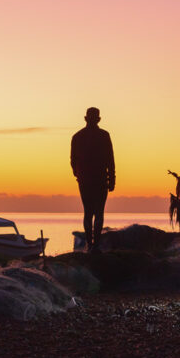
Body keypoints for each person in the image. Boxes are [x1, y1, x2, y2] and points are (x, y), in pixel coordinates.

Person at [71, 107, 115, 252]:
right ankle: (94, 245)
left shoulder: (77, 137)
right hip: (99, 180)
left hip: (86, 181)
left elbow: (73, 161)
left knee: (88, 212)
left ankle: (91, 245)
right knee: (98, 213)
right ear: (98, 119)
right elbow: (110, 160)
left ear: (86, 119)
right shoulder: (104, 135)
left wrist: (78, 175)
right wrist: (112, 178)